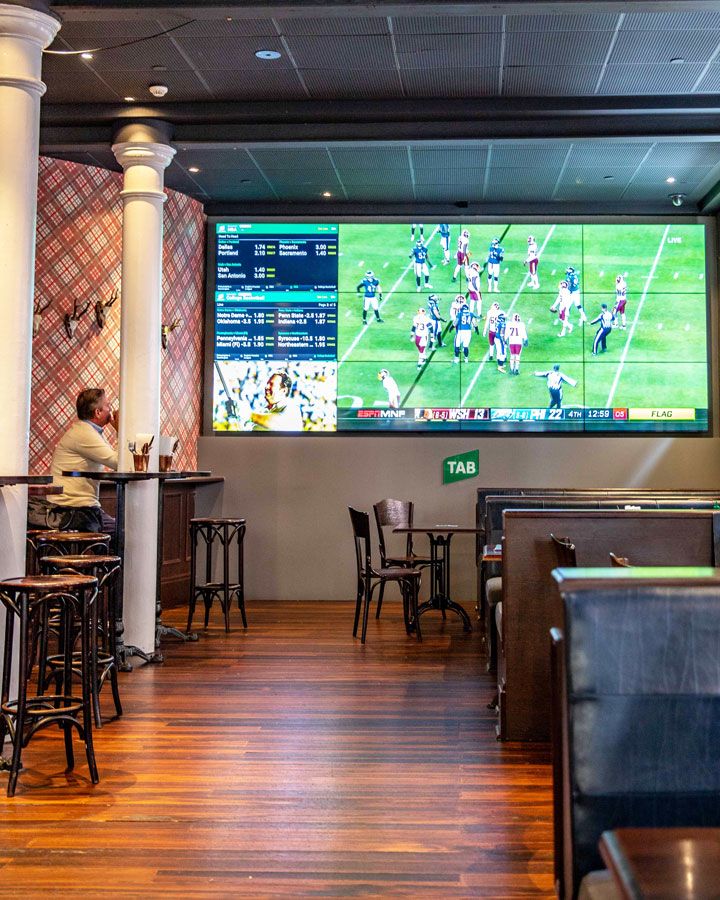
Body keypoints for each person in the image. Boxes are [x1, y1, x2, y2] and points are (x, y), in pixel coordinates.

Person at [39, 388, 119, 533]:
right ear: (98, 412)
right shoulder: (84, 433)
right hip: (72, 510)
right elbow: (118, 462)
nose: (111, 410)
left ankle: (101, 555)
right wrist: (122, 429)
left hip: (76, 508)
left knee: (118, 530)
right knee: (121, 533)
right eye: (108, 405)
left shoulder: (89, 431)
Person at [464, 260, 483, 327]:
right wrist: (476, 289)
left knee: (472, 301)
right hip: (475, 289)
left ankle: (471, 313)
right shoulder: (475, 273)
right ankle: (479, 315)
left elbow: (467, 276)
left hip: (470, 288)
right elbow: (474, 281)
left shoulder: (469, 270)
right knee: (479, 302)